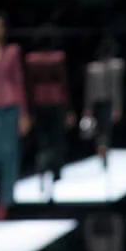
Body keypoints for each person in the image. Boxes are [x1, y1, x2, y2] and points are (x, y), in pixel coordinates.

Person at [24, 24, 76, 196]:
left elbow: (29, 86)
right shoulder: (58, 57)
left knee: (43, 138)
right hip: (56, 100)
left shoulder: (31, 59)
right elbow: (64, 83)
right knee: (56, 137)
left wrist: (29, 110)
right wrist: (69, 108)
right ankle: (55, 170)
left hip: (38, 101)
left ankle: (42, 165)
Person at [0, 11, 31, 220]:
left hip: (9, 108)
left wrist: (24, 113)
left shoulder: (12, 51)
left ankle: (5, 201)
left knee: (9, 156)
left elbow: (18, 81)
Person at [82, 36, 125, 168]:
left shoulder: (92, 68)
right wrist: (117, 107)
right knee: (104, 129)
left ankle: (102, 149)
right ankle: (103, 149)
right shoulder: (116, 66)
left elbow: (89, 90)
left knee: (101, 129)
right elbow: (115, 89)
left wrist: (87, 108)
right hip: (106, 102)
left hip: (97, 102)